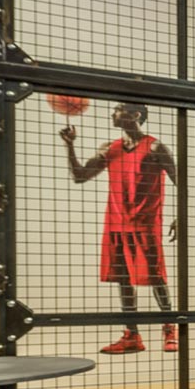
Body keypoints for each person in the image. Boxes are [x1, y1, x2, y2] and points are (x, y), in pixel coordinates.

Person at [62, 102, 178, 354]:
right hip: (116, 223)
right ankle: (132, 335)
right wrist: (69, 145)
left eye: (118, 110)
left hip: (145, 223)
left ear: (135, 114)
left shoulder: (155, 147)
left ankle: (170, 328)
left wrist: (180, 217)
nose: (112, 113)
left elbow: (182, 181)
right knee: (123, 279)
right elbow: (80, 175)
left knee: (156, 276)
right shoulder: (110, 149)